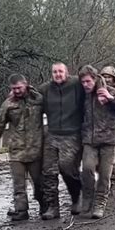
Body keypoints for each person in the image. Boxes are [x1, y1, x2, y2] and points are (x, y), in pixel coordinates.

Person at [0, 74, 44, 221]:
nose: (17, 91)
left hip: (35, 149)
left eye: (19, 87)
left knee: (39, 182)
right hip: (16, 151)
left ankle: (44, 206)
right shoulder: (8, 104)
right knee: (19, 184)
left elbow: (53, 111)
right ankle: (21, 210)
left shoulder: (37, 100)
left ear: (25, 85)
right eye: (14, 88)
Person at [79, 65, 115, 218]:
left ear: (95, 79)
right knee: (87, 169)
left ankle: (100, 202)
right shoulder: (83, 94)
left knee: (105, 175)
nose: (85, 85)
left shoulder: (112, 91)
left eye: (88, 82)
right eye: (83, 82)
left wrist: (110, 99)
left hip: (109, 140)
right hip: (89, 139)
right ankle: (87, 197)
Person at [38, 62, 85, 220]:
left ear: (67, 72)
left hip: (72, 134)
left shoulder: (76, 84)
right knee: (49, 171)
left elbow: (92, 82)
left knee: (67, 167)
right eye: (55, 72)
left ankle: (77, 195)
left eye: (60, 71)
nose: (58, 74)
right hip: (52, 134)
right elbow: (33, 100)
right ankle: (52, 207)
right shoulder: (45, 89)